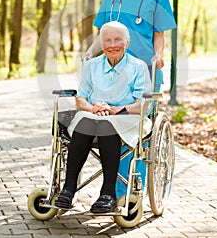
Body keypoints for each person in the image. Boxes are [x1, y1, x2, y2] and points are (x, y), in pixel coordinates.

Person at [84, 0, 176, 197]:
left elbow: (159, 35)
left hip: (145, 70)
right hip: (113, 71)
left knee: (137, 128)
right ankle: (113, 190)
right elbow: (102, 34)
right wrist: (91, 52)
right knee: (113, 126)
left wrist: (159, 55)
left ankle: (131, 189)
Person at [55, 21, 152, 213]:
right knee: (87, 123)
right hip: (94, 116)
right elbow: (81, 99)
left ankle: (108, 194)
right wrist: (93, 108)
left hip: (126, 117)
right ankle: (68, 189)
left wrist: (115, 110)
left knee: (106, 125)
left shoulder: (138, 67)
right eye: (107, 40)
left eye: (118, 39)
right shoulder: (92, 66)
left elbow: (143, 105)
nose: (112, 44)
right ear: (101, 44)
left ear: (127, 42)